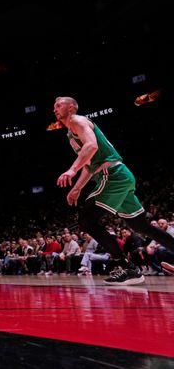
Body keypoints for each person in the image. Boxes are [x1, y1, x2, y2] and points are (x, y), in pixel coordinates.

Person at [53, 96, 174, 285]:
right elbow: (89, 163)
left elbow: (91, 146)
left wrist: (71, 169)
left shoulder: (77, 120)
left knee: (87, 221)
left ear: (71, 107)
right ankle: (130, 268)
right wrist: (77, 188)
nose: (54, 109)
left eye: (58, 105)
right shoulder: (70, 132)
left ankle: (128, 268)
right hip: (118, 176)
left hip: (113, 175)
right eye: (54, 106)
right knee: (142, 226)